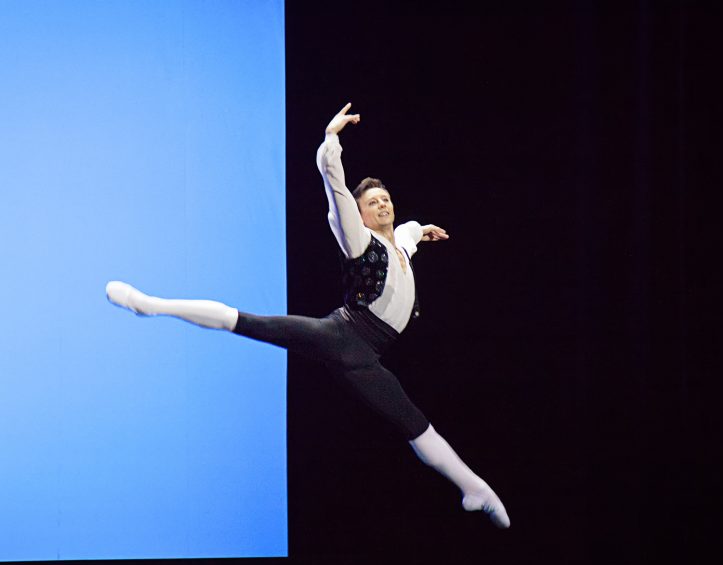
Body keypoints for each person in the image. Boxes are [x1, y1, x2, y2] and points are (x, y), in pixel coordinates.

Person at [106, 103, 510, 528]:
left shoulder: (401, 246)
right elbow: (334, 183)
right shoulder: (359, 240)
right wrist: (331, 139)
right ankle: (150, 304)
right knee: (251, 323)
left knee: (413, 421)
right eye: (372, 202)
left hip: (367, 357)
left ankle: (474, 489)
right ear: (360, 214)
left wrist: (421, 230)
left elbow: (408, 232)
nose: (382, 205)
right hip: (342, 335)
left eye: (385, 199)